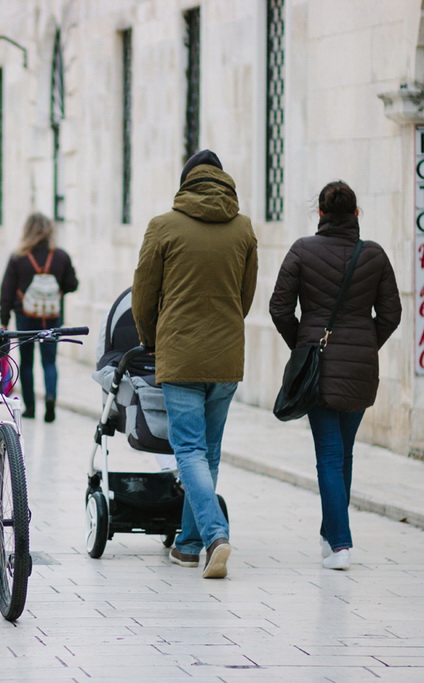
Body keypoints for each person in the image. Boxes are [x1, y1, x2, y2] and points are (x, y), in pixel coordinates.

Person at [132, 149, 258, 579]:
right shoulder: (243, 228)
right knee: (210, 453)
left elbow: (143, 297)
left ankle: (214, 536)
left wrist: (152, 340)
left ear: (186, 182)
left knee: (188, 451)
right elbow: (246, 295)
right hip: (225, 356)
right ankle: (186, 545)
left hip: (181, 355)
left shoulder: (163, 226)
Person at [268, 181, 401, 571]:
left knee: (328, 454)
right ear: (356, 214)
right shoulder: (374, 255)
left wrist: (303, 345)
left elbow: (279, 308)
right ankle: (330, 535)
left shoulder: (302, 250)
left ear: (321, 214)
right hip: (360, 370)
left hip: (319, 369)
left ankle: (340, 544)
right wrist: (364, 345)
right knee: (343, 452)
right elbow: (391, 314)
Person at [0, 212, 78, 421]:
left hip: (25, 317)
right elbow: (73, 284)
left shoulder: (19, 257)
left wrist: (4, 319)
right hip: (52, 317)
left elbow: (7, 290)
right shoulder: (60, 256)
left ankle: (30, 407)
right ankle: (50, 400)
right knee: (49, 361)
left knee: (26, 362)